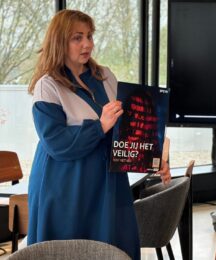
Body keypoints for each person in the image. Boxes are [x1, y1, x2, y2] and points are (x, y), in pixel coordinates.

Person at [27, 10, 170, 260]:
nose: (87, 44)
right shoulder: (47, 85)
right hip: (65, 185)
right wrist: (99, 126)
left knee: (113, 248)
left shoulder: (104, 76)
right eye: (77, 38)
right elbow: (56, 144)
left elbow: (125, 131)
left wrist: (155, 157)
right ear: (59, 41)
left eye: (90, 36)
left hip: (107, 182)